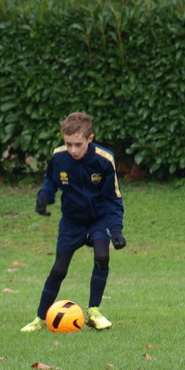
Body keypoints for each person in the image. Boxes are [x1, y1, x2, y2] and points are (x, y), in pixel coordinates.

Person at [21, 112, 125, 332]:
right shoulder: (59, 157)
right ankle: (40, 318)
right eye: (68, 144)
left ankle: (93, 312)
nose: (73, 150)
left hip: (98, 220)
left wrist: (116, 230)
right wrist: (44, 197)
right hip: (71, 222)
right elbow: (51, 181)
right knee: (59, 269)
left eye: (78, 144)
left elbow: (113, 198)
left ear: (90, 139)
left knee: (102, 256)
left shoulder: (104, 160)